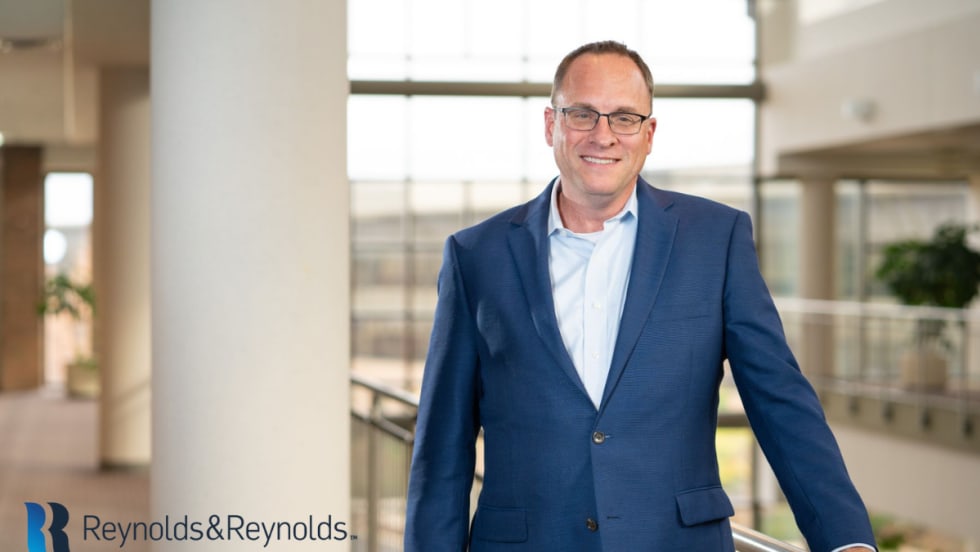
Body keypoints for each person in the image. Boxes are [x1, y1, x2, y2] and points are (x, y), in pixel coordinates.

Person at [404, 40, 876, 551]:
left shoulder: (715, 239)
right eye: (582, 113)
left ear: (648, 134)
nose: (603, 135)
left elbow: (781, 402)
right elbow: (442, 447)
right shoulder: (477, 255)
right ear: (550, 125)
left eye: (625, 117)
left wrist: (845, 540)